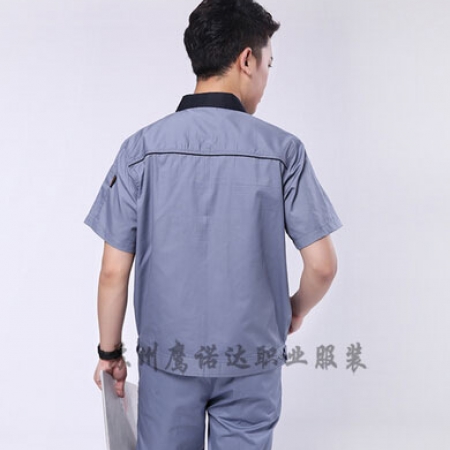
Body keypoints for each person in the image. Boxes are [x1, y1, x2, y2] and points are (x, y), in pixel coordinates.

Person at [85, 0, 342, 448]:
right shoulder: (283, 151)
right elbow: (322, 266)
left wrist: (110, 353)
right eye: (268, 64)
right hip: (251, 357)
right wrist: (293, 310)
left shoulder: (140, 150)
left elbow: (112, 271)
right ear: (247, 60)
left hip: (168, 359)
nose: (266, 78)